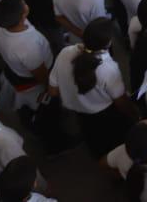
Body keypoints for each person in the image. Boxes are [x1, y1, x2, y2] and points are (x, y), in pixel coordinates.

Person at [48, 18, 137, 158]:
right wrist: (134, 115)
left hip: (79, 113)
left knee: (94, 142)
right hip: (104, 115)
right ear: (108, 43)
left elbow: (52, 90)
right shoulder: (108, 68)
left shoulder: (65, 52)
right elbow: (121, 102)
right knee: (114, 142)